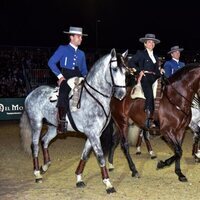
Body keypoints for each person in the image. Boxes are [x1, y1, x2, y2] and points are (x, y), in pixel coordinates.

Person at [48, 26, 88, 134]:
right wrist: (60, 76)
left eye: (81, 37)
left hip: (78, 76)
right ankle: (61, 122)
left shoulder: (82, 54)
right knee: (64, 90)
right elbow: (51, 62)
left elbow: (84, 70)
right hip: (66, 75)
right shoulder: (63, 49)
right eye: (78, 36)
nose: (81, 38)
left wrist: (86, 79)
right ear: (71, 37)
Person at [128, 33, 164, 129]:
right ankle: (148, 119)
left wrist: (160, 71)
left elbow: (156, 70)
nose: (151, 44)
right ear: (145, 44)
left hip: (155, 77)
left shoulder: (156, 57)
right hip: (145, 78)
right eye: (149, 42)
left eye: (153, 42)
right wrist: (139, 71)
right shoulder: (141, 53)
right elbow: (130, 62)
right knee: (149, 95)